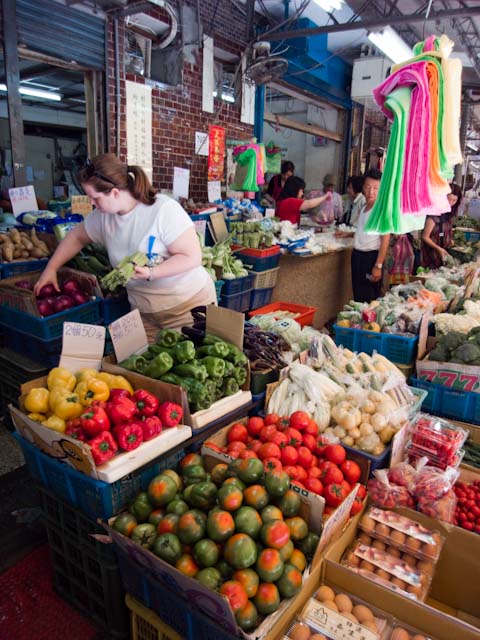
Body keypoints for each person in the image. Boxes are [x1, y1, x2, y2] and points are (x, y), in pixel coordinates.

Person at [33, 154, 216, 339]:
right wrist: (52, 269)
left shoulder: (163, 209)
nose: (92, 204)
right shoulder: (103, 217)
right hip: (144, 312)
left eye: (95, 198)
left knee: (186, 364)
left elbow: (192, 257)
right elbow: (76, 237)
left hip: (187, 308)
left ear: (114, 193)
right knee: (143, 365)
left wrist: (153, 273)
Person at [337, 169, 390, 303]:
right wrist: (348, 234)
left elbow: (385, 239)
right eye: (368, 187)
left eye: (376, 188)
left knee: (370, 298)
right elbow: (366, 231)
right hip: (358, 256)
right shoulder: (365, 206)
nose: (371, 191)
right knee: (358, 295)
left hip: (370, 258)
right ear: (363, 187)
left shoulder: (381, 210)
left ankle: (369, 323)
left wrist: (378, 266)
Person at [421, 183, 462, 269]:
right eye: (449, 199)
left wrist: (450, 240)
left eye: (454, 201)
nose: (451, 203)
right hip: (431, 255)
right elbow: (425, 237)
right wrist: (438, 248)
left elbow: (446, 231)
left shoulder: (449, 214)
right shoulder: (434, 213)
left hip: (442, 255)